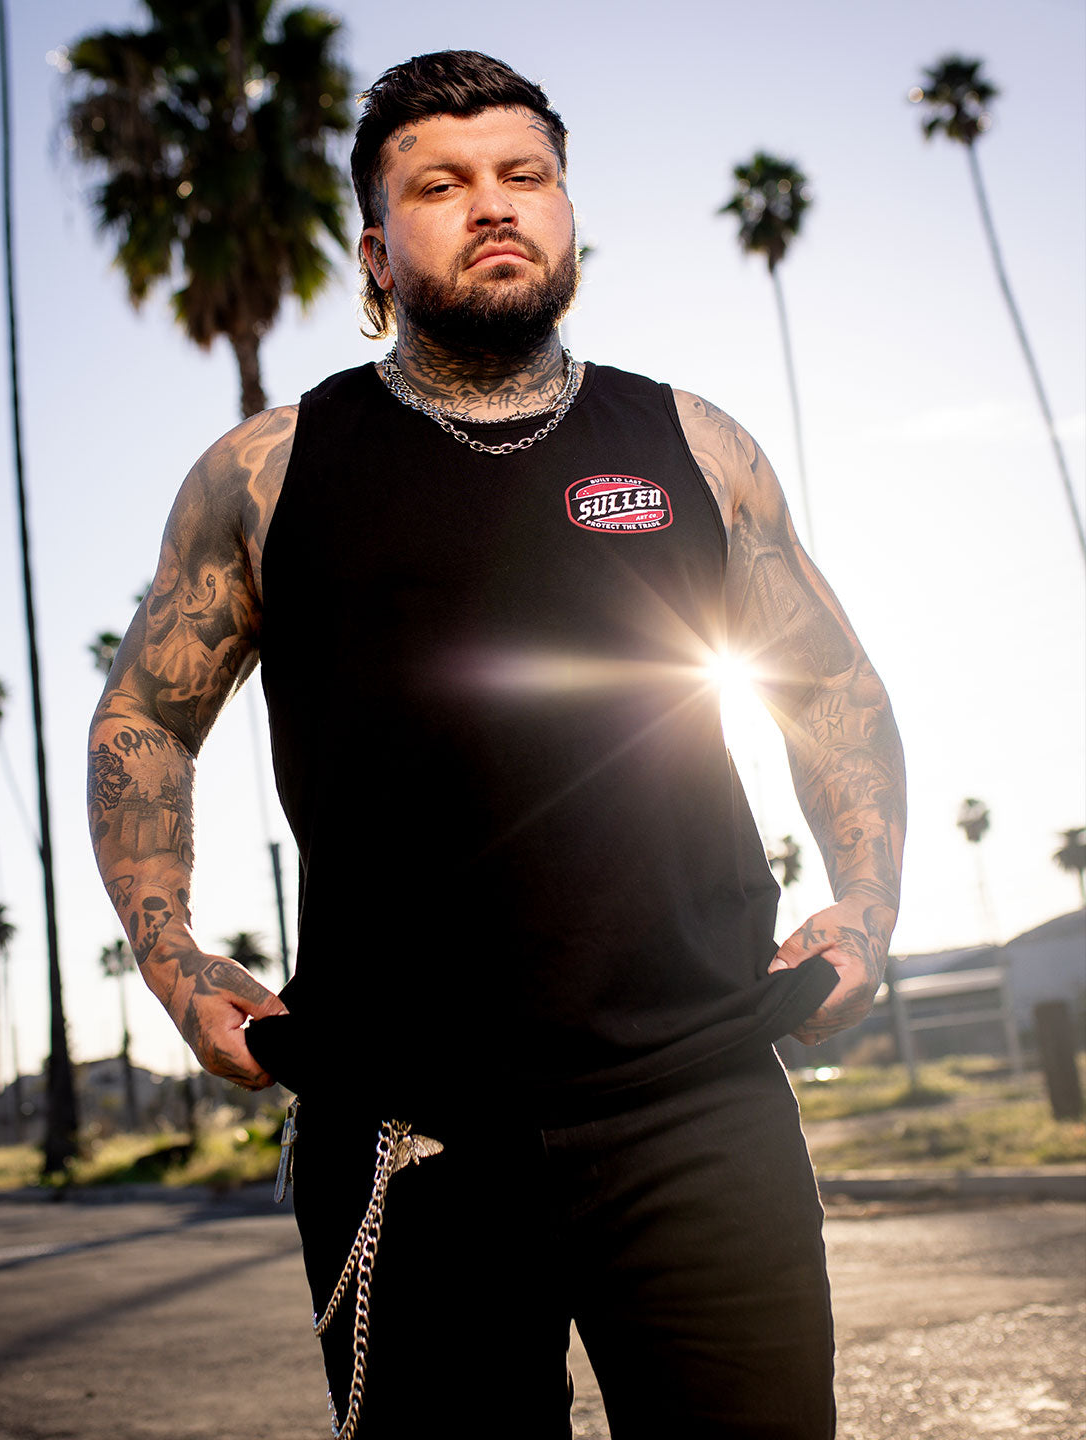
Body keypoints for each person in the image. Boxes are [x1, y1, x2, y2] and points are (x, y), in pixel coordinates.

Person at [87, 50, 905, 1440]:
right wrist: (173, 963)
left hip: (699, 1097)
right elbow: (146, 719)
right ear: (375, 249)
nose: (493, 205)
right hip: (408, 1132)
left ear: (568, 209)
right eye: (441, 184)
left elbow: (830, 690)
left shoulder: (694, 445)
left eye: (525, 175)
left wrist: (867, 908)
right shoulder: (271, 473)